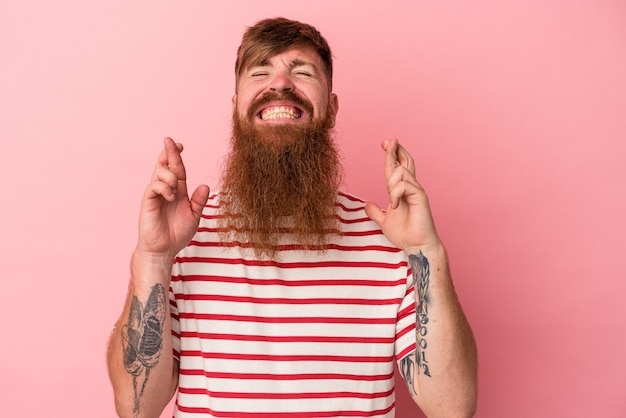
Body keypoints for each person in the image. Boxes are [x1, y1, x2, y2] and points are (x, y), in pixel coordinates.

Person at [106, 17, 477, 418]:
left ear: (331, 109)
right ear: (236, 110)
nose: (280, 83)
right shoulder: (184, 238)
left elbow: (452, 407)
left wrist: (425, 252)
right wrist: (154, 258)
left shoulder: (388, 238)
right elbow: (135, 408)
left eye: (301, 72)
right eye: (261, 71)